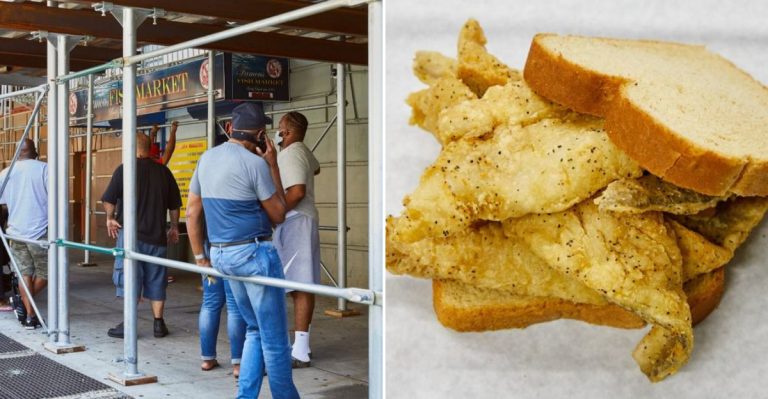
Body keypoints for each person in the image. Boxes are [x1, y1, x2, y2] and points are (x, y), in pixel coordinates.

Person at [187, 102, 299, 399]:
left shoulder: (206, 159)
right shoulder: (256, 165)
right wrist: (273, 164)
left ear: (228, 129)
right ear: (262, 135)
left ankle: (246, 396)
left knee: (254, 329)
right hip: (254, 254)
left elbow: (192, 212)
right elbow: (278, 213)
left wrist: (201, 256)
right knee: (275, 340)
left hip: (222, 255)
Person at [101, 132, 181, 338]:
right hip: (157, 237)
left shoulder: (124, 170)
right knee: (157, 279)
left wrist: (110, 217)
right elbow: (174, 205)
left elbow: (109, 198)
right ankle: (158, 324)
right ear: (149, 147)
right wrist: (173, 227)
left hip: (131, 238)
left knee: (129, 278)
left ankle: (129, 325)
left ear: (131, 147)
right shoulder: (164, 172)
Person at [274, 112, 321, 368]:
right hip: (300, 220)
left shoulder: (292, 153)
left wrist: (277, 212)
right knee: (300, 282)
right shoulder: (301, 150)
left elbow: (297, 190)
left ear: (287, 133)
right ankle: (302, 345)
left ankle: (300, 351)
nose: (277, 132)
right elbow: (317, 167)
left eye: (279, 128)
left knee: (300, 284)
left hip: (295, 219)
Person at [0, 139, 48, 328]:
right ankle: (28, 309)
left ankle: (29, 315)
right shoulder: (45, 169)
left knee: (24, 274)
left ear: (17, 153)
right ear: (35, 152)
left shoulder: (6, 173)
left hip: (16, 232)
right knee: (47, 274)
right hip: (41, 232)